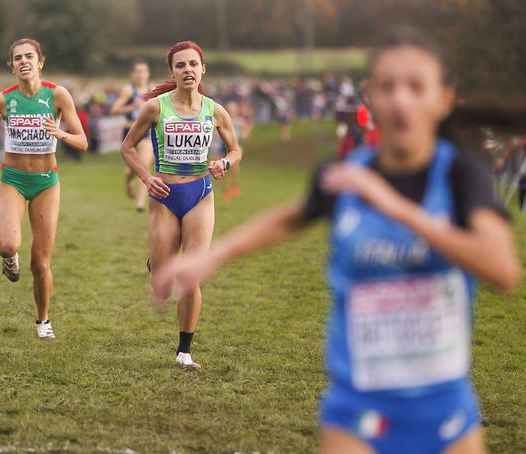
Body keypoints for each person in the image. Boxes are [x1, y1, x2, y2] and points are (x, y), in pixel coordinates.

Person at [154, 28, 519, 453]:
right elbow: (290, 217)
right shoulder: (346, 172)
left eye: (417, 87)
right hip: (356, 410)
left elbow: (502, 269)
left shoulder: (460, 174)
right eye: (388, 87)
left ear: (443, 98)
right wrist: (214, 257)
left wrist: (399, 208)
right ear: (368, 97)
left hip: (446, 415)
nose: (401, 99)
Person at [121, 41, 242, 370]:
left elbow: (235, 150)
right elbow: (128, 147)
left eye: (193, 64)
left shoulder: (215, 111)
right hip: (163, 196)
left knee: (191, 276)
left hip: (200, 195)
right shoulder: (155, 108)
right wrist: (146, 178)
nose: (187, 70)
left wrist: (225, 165)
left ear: (203, 69)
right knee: (162, 281)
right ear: (172, 72)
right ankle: (157, 266)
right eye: (180, 65)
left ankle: (184, 352)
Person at [0, 38, 87, 339]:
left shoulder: (57, 95)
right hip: (13, 180)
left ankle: (43, 320)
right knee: (6, 244)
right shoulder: (3, 100)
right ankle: (9, 259)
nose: (23, 61)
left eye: (29, 56)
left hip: (47, 182)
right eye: (17, 58)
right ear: (12, 66)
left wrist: (61, 133)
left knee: (40, 262)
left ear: (40, 61)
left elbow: (83, 142)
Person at [110, 58, 153, 211]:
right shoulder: (129, 90)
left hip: (147, 133)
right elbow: (114, 110)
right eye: (138, 72)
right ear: (132, 74)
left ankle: (140, 203)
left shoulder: (152, 90)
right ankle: (128, 180)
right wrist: (131, 107)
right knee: (134, 168)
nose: (141, 75)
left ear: (148, 74)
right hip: (130, 132)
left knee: (144, 165)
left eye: (144, 71)